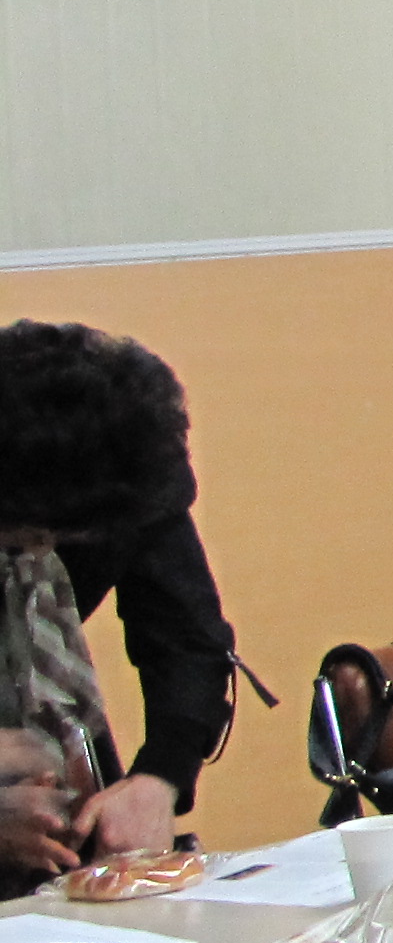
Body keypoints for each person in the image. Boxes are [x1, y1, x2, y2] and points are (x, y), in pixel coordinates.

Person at [0, 322, 239, 874]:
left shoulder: (125, 469)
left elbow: (186, 637)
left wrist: (159, 778)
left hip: (57, 785)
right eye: (31, 539)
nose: (49, 553)